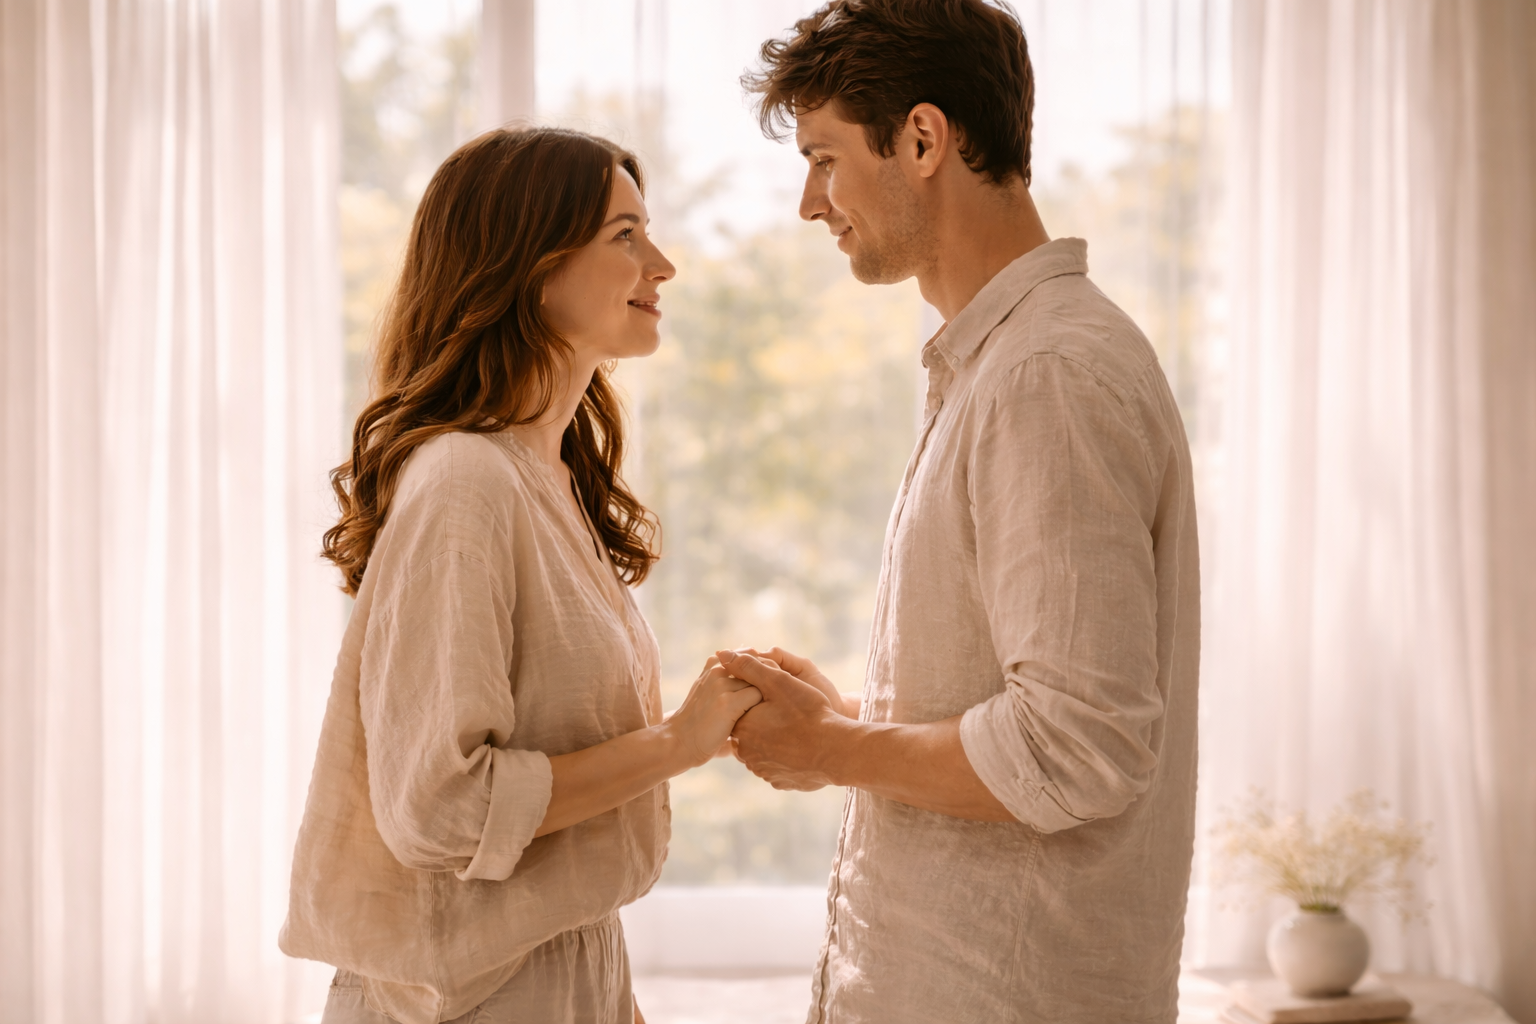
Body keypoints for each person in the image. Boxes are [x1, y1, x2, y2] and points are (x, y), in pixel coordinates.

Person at [723, 2, 1201, 1022]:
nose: (811, 202)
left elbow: (1078, 745)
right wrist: (851, 727)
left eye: (823, 157)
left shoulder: (1046, 374)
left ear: (924, 139)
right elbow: (1036, 715)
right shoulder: (999, 365)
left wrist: (832, 750)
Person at [279, 127, 761, 1024]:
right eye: (626, 235)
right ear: (529, 266)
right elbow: (439, 805)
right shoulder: (465, 481)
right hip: (464, 1000)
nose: (663, 264)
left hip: (560, 973)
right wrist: (678, 743)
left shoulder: (548, 480)